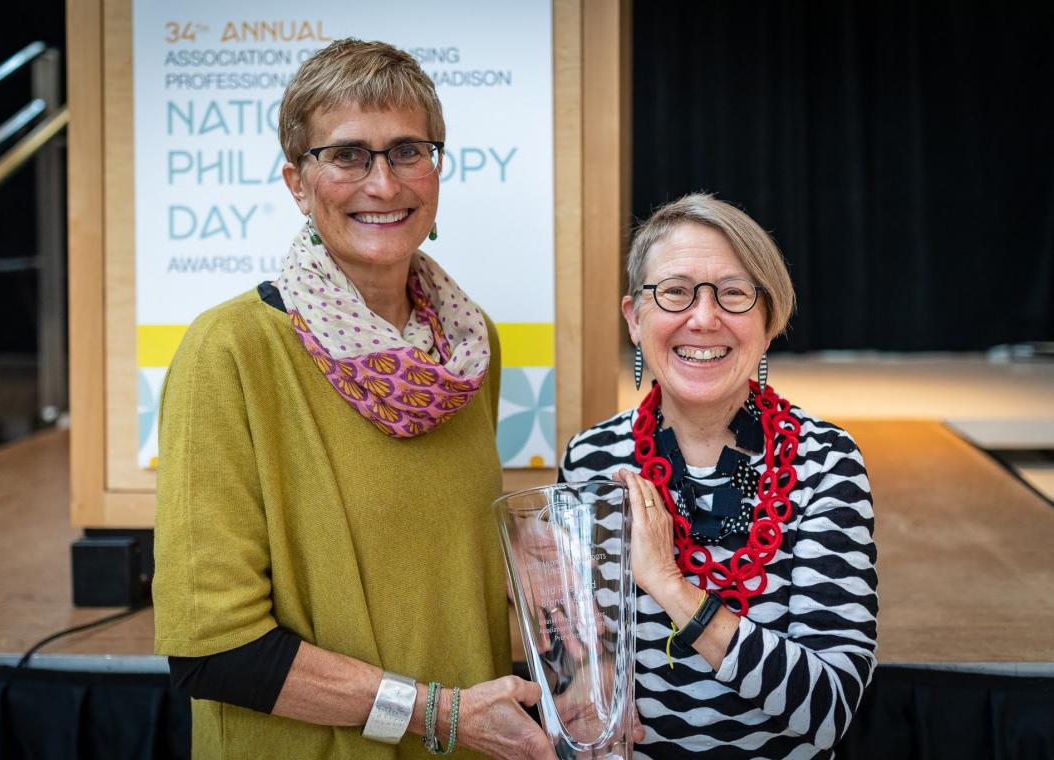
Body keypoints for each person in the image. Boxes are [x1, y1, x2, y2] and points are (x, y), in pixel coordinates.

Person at [152, 39, 555, 760]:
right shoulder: (230, 352)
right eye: (346, 155)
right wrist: (439, 714)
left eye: (408, 151)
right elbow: (212, 649)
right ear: (296, 184)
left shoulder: (469, 348)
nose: (383, 182)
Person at [559, 193, 878, 758]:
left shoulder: (825, 461)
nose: (704, 319)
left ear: (768, 318)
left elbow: (827, 710)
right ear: (635, 318)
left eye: (733, 294)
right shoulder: (593, 460)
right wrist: (580, 687)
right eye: (675, 292)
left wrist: (672, 588)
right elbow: (580, 666)